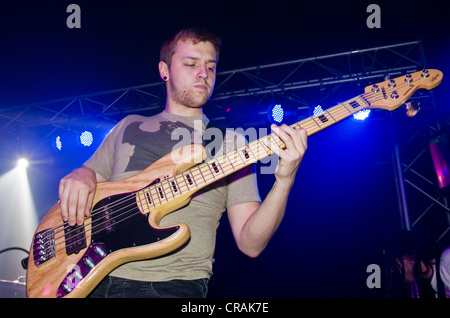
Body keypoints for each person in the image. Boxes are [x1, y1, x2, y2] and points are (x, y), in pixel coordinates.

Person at [57, 27, 308, 298]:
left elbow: (251, 244)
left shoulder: (230, 142)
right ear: (164, 70)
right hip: (92, 278)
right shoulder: (128, 126)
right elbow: (89, 181)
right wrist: (82, 173)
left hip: (172, 287)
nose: (203, 74)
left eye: (211, 67)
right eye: (191, 64)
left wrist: (284, 181)